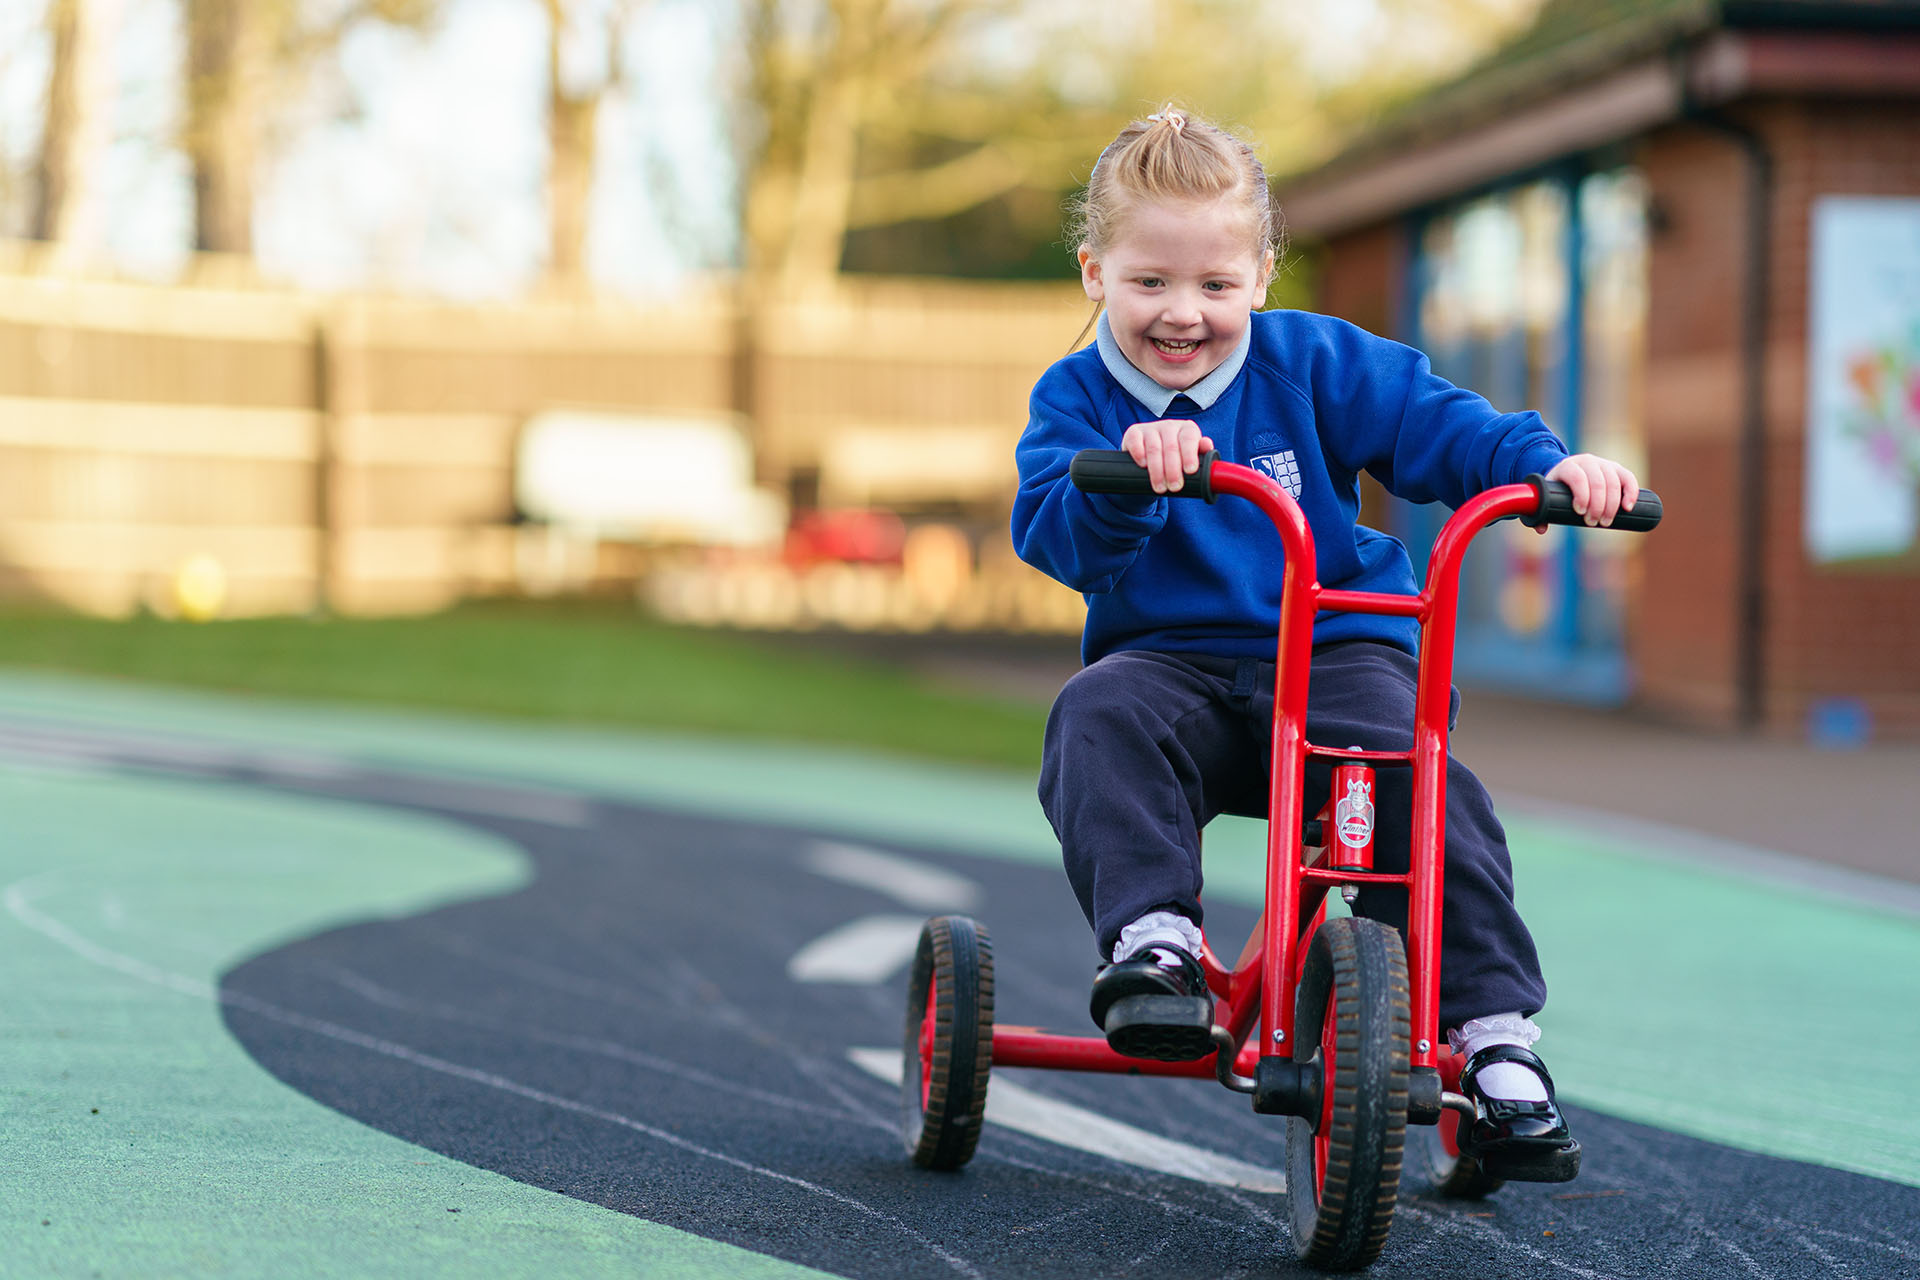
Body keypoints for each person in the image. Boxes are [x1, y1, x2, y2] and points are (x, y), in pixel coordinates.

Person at [1010, 106, 1639, 1167]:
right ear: (1094, 273)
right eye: (1149, 282)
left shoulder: (1315, 361)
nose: (1182, 313)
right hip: (1174, 668)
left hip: (1336, 649)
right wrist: (1126, 479)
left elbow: (1444, 426)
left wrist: (1545, 468)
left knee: (1427, 779)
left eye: (1214, 285)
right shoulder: (1078, 396)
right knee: (1094, 712)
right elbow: (1056, 536)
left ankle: (1495, 1042)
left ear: (1261, 273)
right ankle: (1155, 946)